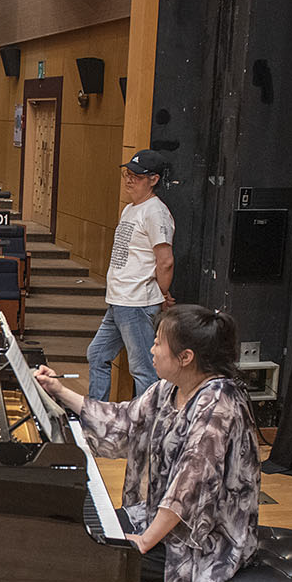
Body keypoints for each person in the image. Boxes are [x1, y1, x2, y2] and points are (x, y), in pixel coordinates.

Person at [30, 304, 261, 582]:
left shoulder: (219, 406)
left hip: (207, 539)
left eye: (158, 343)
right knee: (84, 538)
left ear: (186, 357)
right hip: (166, 518)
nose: (151, 349)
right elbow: (122, 422)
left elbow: (191, 485)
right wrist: (59, 391)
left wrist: (145, 540)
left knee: (109, 560)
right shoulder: (169, 390)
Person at [87, 150, 176, 401]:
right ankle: (97, 413)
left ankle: (147, 420)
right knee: (97, 354)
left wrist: (161, 294)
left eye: (137, 176)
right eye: (127, 174)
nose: (129, 180)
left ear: (154, 180)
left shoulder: (155, 212)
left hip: (136, 301)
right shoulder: (130, 209)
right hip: (120, 300)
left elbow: (165, 261)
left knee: (143, 368)